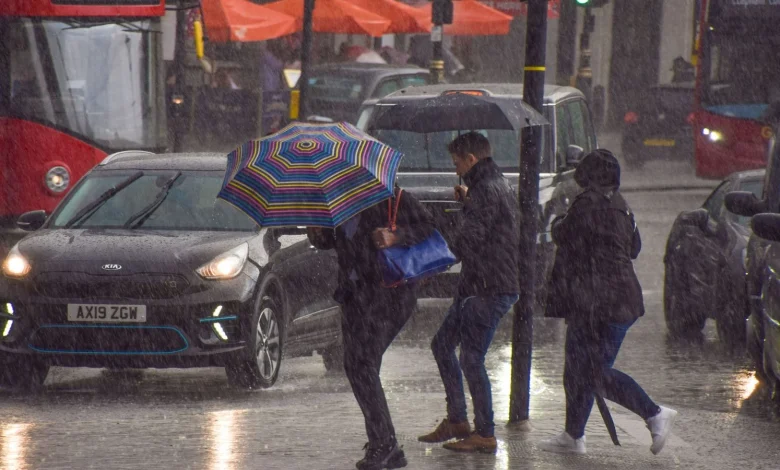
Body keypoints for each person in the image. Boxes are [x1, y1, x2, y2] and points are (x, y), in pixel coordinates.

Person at [540, 149, 678, 455]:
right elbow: (635, 248)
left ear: (586, 178)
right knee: (576, 369)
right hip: (613, 301)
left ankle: (654, 414)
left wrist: (560, 220)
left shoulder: (586, 204)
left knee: (592, 373)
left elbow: (563, 233)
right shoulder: (621, 206)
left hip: (600, 303)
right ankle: (573, 435)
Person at [307, 186, 434, 470]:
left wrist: (395, 236)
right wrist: (317, 230)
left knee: (362, 364)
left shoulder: (389, 195)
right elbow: (337, 241)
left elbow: (429, 225)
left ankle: (385, 444)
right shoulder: (337, 200)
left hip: (389, 294)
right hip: (354, 295)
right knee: (355, 366)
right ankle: (384, 443)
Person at [418, 132, 520, 453]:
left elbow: (470, 239)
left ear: (471, 160)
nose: (456, 169)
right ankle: (458, 421)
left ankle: (485, 433)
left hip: (489, 286)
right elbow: (491, 226)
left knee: (472, 358)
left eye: (457, 162)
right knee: (442, 345)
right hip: (480, 284)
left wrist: (430, 262)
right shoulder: (492, 185)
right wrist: (468, 202)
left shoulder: (487, 190)